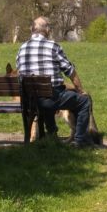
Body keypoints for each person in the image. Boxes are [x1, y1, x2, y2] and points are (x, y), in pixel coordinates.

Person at [15, 16, 94, 147]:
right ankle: (81, 141)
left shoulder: (22, 48)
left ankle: (52, 136)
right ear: (46, 30)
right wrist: (80, 90)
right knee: (84, 101)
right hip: (51, 97)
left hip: (30, 100)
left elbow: (19, 72)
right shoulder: (53, 46)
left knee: (45, 101)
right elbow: (69, 71)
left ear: (32, 30)